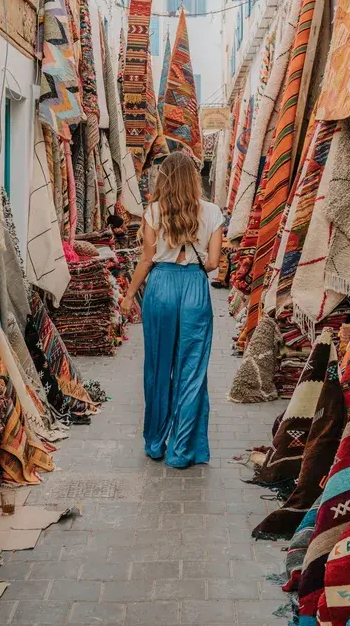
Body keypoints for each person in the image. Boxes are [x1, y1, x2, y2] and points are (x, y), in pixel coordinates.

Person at [121, 151, 223, 468]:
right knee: (191, 371)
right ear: (194, 179)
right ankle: (182, 451)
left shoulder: (153, 212)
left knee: (158, 366)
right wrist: (195, 262)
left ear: (163, 179)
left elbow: (146, 260)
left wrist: (128, 295)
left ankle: (155, 443)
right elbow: (214, 263)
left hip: (161, 288)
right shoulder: (213, 212)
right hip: (194, 288)